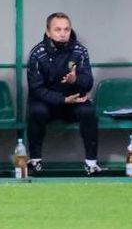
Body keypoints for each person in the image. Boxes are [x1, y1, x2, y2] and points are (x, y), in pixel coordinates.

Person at [25, 12, 102, 176]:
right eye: (58, 29)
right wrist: (62, 99)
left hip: (73, 101)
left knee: (88, 111)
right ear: (48, 32)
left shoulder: (80, 51)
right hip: (47, 102)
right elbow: (36, 89)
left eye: (66, 29)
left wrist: (75, 81)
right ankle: (35, 160)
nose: (62, 33)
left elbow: (88, 82)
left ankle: (91, 163)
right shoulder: (37, 54)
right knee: (37, 111)